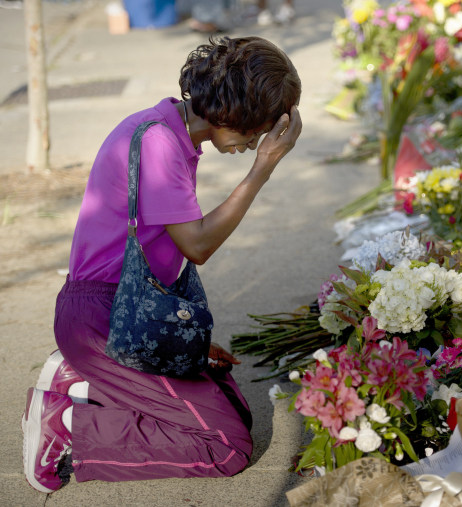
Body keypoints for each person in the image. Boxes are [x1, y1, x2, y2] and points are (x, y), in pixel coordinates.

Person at [21, 36, 302, 493]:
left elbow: (161, 256)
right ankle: (68, 423)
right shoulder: (159, 143)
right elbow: (198, 246)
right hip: (102, 320)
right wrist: (262, 171)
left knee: (235, 407)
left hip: (129, 315)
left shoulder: (170, 131)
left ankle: (83, 380)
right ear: (233, 113)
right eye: (256, 134)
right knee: (226, 446)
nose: (254, 145)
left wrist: (184, 339)